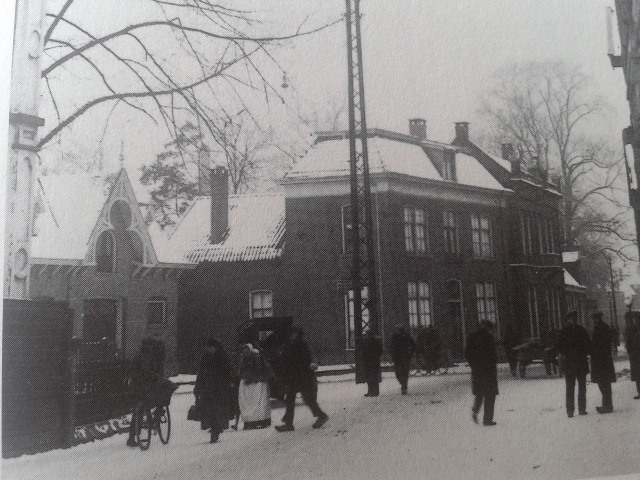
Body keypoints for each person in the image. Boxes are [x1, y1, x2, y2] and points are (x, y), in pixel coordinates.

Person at [275, 327, 328, 432]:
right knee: (290, 398)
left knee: (308, 398)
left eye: (294, 334)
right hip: (294, 376)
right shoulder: (290, 345)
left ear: (298, 334)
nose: (291, 336)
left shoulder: (300, 345)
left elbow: (304, 359)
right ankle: (289, 424)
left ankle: (321, 415)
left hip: (304, 375)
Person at [127, 337, 164, 447]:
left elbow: (133, 371)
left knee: (137, 412)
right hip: (146, 387)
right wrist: (155, 377)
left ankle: (132, 437)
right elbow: (154, 373)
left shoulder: (138, 356)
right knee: (155, 401)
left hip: (137, 387)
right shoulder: (152, 358)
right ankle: (156, 416)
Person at [194, 338, 232, 443]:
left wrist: (227, 384)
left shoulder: (222, 357)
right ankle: (214, 427)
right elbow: (201, 373)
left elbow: (227, 372)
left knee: (217, 409)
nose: (210, 350)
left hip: (219, 389)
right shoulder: (205, 358)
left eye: (211, 348)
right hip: (208, 388)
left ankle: (216, 429)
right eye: (208, 348)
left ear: (215, 348)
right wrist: (197, 388)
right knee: (209, 410)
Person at [555, 311, 591, 418]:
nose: (573, 320)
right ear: (567, 320)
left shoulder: (581, 330)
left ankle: (582, 409)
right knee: (570, 388)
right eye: (570, 318)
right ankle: (570, 411)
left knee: (582, 387)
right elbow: (558, 346)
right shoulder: (564, 332)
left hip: (579, 362)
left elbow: (588, 344)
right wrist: (565, 353)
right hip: (570, 363)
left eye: (574, 318)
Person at [465, 320, 498, 426]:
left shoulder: (472, 337)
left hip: (477, 370)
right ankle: (487, 419)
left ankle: (475, 410)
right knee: (490, 394)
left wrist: (473, 365)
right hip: (489, 370)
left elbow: (467, 353)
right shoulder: (489, 338)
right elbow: (493, 355)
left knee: (480, 392)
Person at [238, 343, 273, 429]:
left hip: (258, 382)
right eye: (244, 351)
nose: (245, 353)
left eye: (247, 351)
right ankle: (250, 422)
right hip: (249, 382)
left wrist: (250, 378)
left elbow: (259, 370)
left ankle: (261, 420)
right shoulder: (243, 358)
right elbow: (242, 370)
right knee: (249, 401)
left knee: (259, 401)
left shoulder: (257, 357)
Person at [590, 311, 616, 413]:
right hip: (603, 360)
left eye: (594, 319)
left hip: (601, 360)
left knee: (603, 383)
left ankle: (607, 406)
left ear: (597, 318)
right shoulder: (602, 327)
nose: (593, 321)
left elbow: (601, 344)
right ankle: (607, 405)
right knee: (604, 383)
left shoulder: (601, 328)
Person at [390, 324, 415, 395]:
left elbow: (413, 345)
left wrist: (410, 354)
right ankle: (403, 384)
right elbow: (392, 347)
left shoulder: (404, 336)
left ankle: (404, 386)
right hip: (401, 357)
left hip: (402, 357)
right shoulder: (397, 336)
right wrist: (410, 354)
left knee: (401, 372)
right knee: (401, 372)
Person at [362, 330, 383, 397]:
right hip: (374, 361)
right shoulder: (376, 341)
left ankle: (371, 392)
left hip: (369, 361)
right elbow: (380, 350)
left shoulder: (367, 342)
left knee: (370, 377)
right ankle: (374, 392)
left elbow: (364, 351)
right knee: (374, 376)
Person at [625, 312, 640, 399]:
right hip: (635, 355)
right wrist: (630, 352)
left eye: (637, 318)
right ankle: (639, 392)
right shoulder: (630, 329)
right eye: (635, 319)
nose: (636, 320)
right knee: (637, 375)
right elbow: (628, 342)